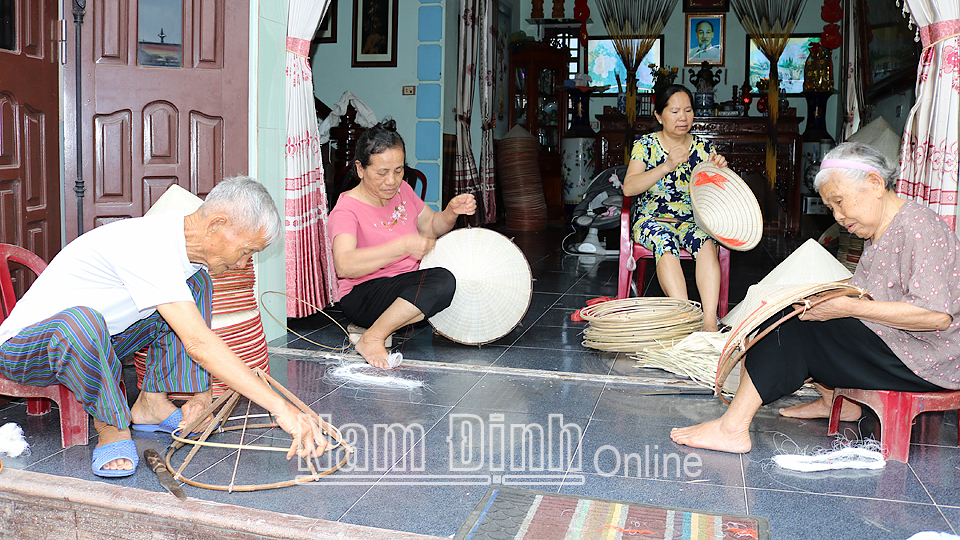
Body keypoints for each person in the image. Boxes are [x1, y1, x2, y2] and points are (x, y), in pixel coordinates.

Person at [0, 176, 328, 477]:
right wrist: (280, 408)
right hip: (26, 348)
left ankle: (151, 405)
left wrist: (200, 399)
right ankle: (112, 429)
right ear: (216, 224)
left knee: (196, 284)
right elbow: (199, 343)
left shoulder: (181, 255)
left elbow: (190, 329)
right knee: (82, 321)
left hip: (99, 341)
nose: (242, 263)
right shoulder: (149, 243)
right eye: (246, 251)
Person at [671, 142, 960, 453]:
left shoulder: (919, 227)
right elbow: (868, 294)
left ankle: (732, 429)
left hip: (927, 360)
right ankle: (838, 402)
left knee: (796, 327)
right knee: (795, 311)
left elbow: (936, 317)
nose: (837, 216)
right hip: (899, 345)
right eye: (831, 207)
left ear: (875, 184)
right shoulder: (880, 231)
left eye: (839, 202)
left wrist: (844, 307)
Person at [329, 120, 476, 368]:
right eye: (382, 172)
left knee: (457, 278)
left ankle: (385, 325)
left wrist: (451, 212)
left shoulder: (403, 191)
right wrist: (402, 247)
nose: (392, 181)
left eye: (398, 171)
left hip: (405, 286)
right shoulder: (347, 209)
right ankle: (372, 337)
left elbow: (430, 226)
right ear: (361, 169)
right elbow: (344, 266)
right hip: (363, 294)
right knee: (440, 282)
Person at [622, 84, 727, 331]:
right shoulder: (645, 145)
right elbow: (629, 188)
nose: (683, 117)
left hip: (692, 221)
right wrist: (666, 166)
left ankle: (710, 322)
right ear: (659, 116)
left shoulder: (702, 148)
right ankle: (686, 319)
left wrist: (719, 171)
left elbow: (714, 194)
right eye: (675, 111)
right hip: (652, 220)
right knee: (665, 243)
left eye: (688, 111)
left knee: (706, 243)